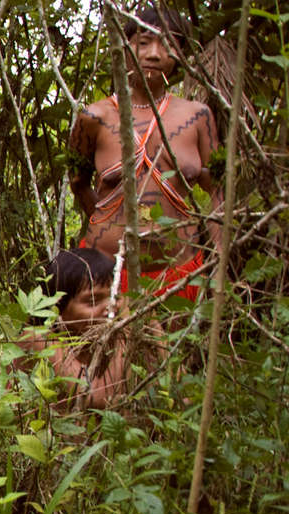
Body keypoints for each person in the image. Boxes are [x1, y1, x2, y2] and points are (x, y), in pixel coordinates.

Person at [68, 5, 219, 300]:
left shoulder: (198, 117)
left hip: (179, 273)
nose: (154, 54)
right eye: (143, 43)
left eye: (168, 44)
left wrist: (219, 257)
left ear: (180, 55)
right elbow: (78, 182)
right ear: (125, 50)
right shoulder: (93, 118)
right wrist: (108, 227)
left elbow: (217, 192)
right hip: (105, 273)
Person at [21, 248, 144, 408]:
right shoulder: (38, 339)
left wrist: (152, 326)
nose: (110, 307)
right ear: (57, 309)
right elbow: (96, 397)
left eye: (116, 296)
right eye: (92, 301)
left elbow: (180, 392)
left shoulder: (106, 341)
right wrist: (125, 330)